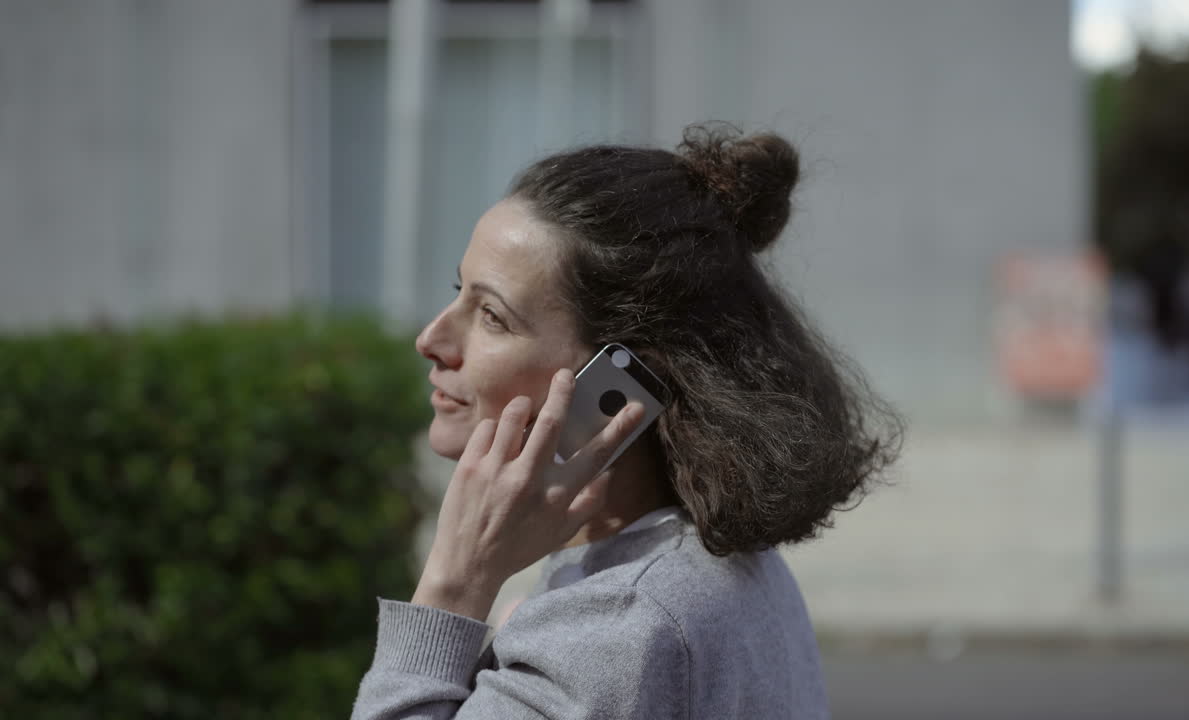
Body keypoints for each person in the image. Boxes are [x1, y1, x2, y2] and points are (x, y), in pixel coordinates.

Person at [351, 124, 901, 719]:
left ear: (620, 383)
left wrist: (453, 587)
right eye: (459, 291)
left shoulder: (620, 627)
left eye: (491, 315)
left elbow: (609, 653)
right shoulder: (719, 567)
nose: (431, 338)